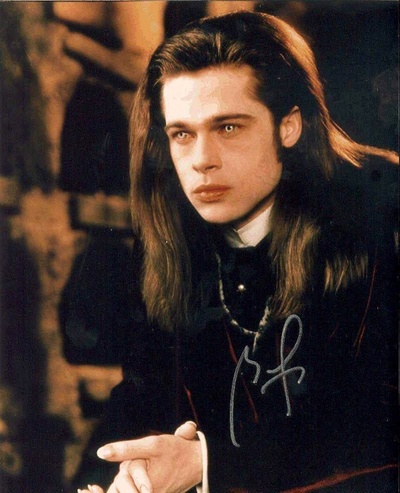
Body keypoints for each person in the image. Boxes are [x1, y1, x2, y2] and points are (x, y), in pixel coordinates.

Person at [77, 11, 398, 493]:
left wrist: (208, 462)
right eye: (182, 134)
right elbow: (142, 397)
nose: (201, 161)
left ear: (288, 126)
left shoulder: (381, 211)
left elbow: (381, 417)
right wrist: (120, 474)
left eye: (227, 128)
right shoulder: (173, 234)